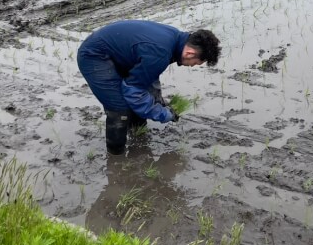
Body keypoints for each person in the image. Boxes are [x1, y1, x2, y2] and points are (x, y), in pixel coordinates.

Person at [77, 20, 221, 155]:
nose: (192, 66)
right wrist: (164, 114)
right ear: (190, 53)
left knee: (140, 95)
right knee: (119, 107)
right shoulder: (160, 51)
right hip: (94, 55)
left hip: (118, 53)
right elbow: (133, 91)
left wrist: (158, 101)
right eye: (196, 63)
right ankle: (116, 156)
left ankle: (137, 133)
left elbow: (148, 77)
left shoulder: (174, 40)